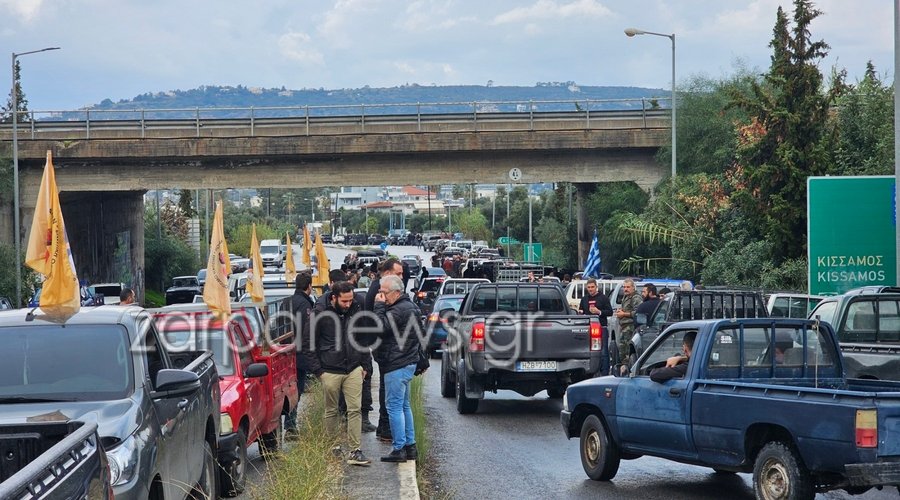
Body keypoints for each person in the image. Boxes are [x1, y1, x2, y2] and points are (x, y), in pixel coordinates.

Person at [301, 281, 371, 466]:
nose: (348, 304)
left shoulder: (357, 310)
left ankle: (355, 451)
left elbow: (363, 338)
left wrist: (366, 366)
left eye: (350, 300)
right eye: (344, 301)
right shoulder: (319, 314)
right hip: (329, 370)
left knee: (355, 409)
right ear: (334, 298)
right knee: (331, 410)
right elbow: (308, 344)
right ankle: (334, 447)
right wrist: (319, 371)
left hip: (354, 368)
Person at [374, 274, 421, 463]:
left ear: (396, 292)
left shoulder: (397, 310)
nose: (381, 296)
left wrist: (378, 307)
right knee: (404, 406)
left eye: (384, 293)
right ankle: (411, 446)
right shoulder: (411, 307)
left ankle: (399, 448)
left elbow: (380, 327)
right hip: (408, 361)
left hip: (396, 363)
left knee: (393, 406)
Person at [365, 258, 405, 443]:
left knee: (386, 388)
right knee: (387, 391)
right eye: (398, 273)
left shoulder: (379, 287)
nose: (401, 277)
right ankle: (386, 428)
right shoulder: (379, 290)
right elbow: (379, 322)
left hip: (386, 346)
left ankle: (384, 427)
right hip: (384, 346)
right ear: (388, 273)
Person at [285, 272, 315, 439]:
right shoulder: (305, 305)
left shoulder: (288, 302)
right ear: (309, 286)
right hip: (300, 354)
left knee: (291, 388)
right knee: (297, 388)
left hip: (286, 352)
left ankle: (289, 424)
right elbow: (307, 331)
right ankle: (290, 426)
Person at [578, 279, 614, 375]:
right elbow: (581, 310)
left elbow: (610, 312)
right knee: (588, 351)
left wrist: (599, 312)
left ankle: (605, 373)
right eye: (589, 287)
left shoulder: (603, 298)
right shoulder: (584, 299)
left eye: (592, 287)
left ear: (596, 287)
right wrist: (581, 312)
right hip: (587, 329)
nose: (590, 289)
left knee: (603, 351)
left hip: (601, 327)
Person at [615, 279, 643, 376]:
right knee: (622, 351)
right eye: (624, 287)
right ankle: (624, 369)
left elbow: (638, 312)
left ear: (633, 287)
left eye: (628, 287)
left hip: (630, 328)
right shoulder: (626, 297)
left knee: (627, 352)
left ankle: (629, 372)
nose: (625, 289)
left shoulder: (636, 298)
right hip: (624, 327)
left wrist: (624, 314)